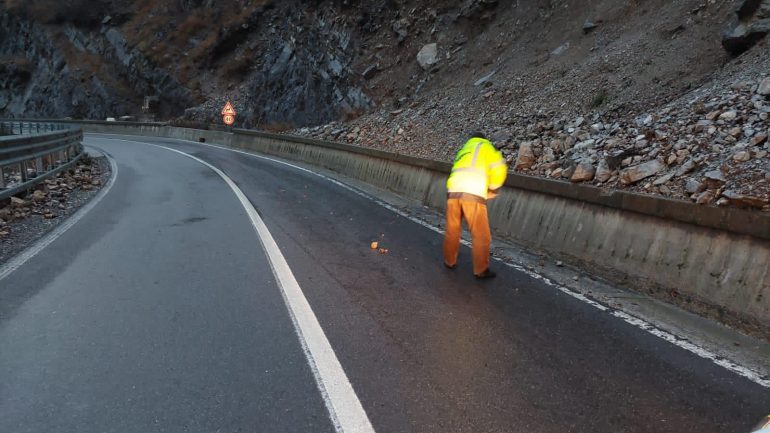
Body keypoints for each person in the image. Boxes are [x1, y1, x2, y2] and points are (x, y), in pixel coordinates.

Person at [443, 132, 508, 279]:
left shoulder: (464, 150)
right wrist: (493, 189)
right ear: (484, 138)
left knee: (452, 229)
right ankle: (481, 270)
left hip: (453, 192)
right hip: (473, 193)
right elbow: (499, 169)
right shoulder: (486, 147)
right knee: (481, 235)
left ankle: (449, 260)